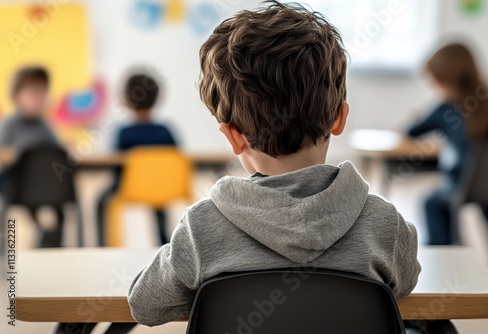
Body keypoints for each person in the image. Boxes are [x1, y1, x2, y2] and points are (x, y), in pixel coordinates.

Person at [127, 0, 421, 328]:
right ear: (339, 118)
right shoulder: (384, 225)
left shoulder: (201, 230)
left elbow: (145, 306)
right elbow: (405, 283)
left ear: (233, 136)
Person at [407, 43, 488, 266]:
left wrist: (418, 115)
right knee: (482, 200)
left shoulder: (446, 109)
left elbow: (412, 132)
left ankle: (443, 255)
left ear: (444, 80)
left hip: (460, 183)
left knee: (431, 202)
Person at [96, 73, 177, 246]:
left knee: (101, 200)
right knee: (158, 201)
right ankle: (164, 243)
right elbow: (175, 160)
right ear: (156, 98)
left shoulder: (124, 132)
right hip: (160, 188)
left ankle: (103, 245)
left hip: (128, 189)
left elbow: (115, 167)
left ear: (126, 99)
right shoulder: (165, 131)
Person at [0, 66, 64, 248]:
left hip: (44, 188)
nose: (40, 98)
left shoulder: (44, 126)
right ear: (16, 95)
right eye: (33, 92)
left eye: (43, 92)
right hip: (14, 187)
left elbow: (55, 152)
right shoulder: (10, 125)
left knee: (59, 206)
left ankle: (52, 251)